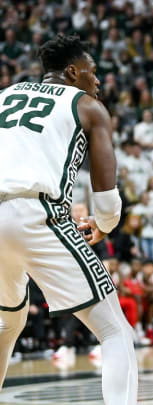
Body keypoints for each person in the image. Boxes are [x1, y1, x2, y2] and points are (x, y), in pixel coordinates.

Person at [0, 34, 137, 404]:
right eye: (93, 73)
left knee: (7, 322)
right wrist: (105, 223)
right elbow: (106, 194)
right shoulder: (88, 106)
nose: (97, 82)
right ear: (74, 72)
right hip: (38, 213)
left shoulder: (5, 95)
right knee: (114, 331)